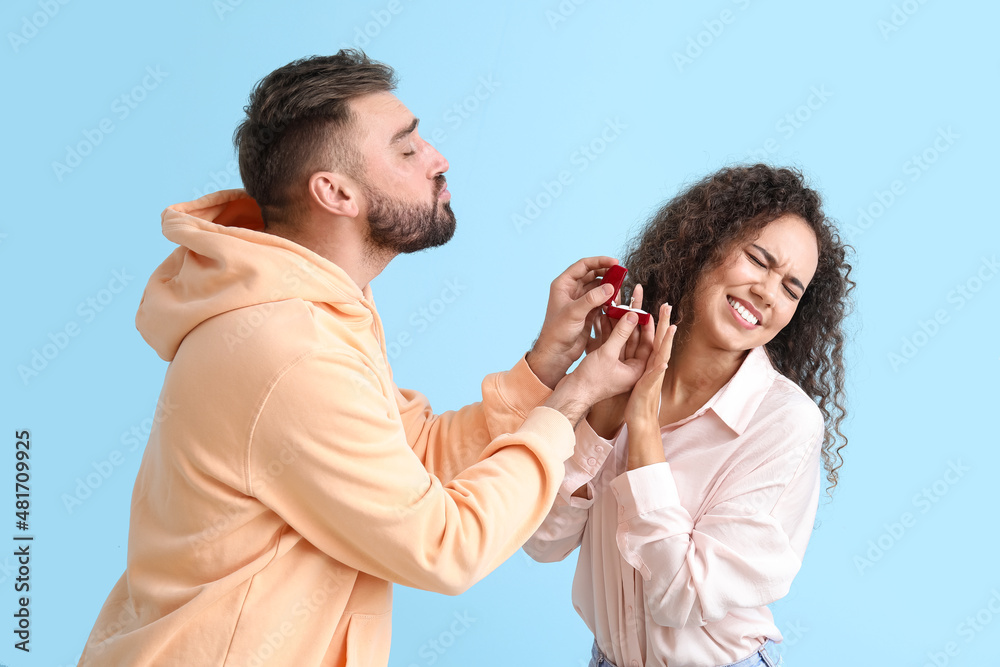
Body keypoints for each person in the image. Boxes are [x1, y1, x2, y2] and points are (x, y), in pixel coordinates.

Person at [78, 50, 653, 666]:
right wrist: (572, 401)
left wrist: (546, 363)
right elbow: (445, 545)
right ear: (336, 192)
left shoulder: (320, 308)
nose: (438, 159)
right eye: (406, 150)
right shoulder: (290, 350)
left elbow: (412, 457)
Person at [524, 164, 853, 667]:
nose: (767, 291)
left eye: (791, 289)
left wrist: (645, 431)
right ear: (706, 246)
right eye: (759, 260)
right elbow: (541, 542)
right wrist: (601, 419)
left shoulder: (785, 423)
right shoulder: (617, 370)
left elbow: (681, 597)